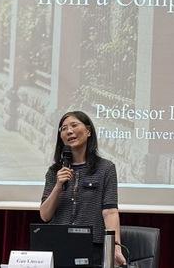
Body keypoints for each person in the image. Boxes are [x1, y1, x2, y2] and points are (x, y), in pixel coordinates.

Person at [40, 111, 126, 266]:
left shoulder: (105, 168)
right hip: (59, 244)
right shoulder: (54, 171)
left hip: (92, 245)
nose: (69, 131)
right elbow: (45, 216)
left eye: (74, 125)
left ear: (88, 131)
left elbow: (110, 212)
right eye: (64, 128)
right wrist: (58, 186)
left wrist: (116, 248)